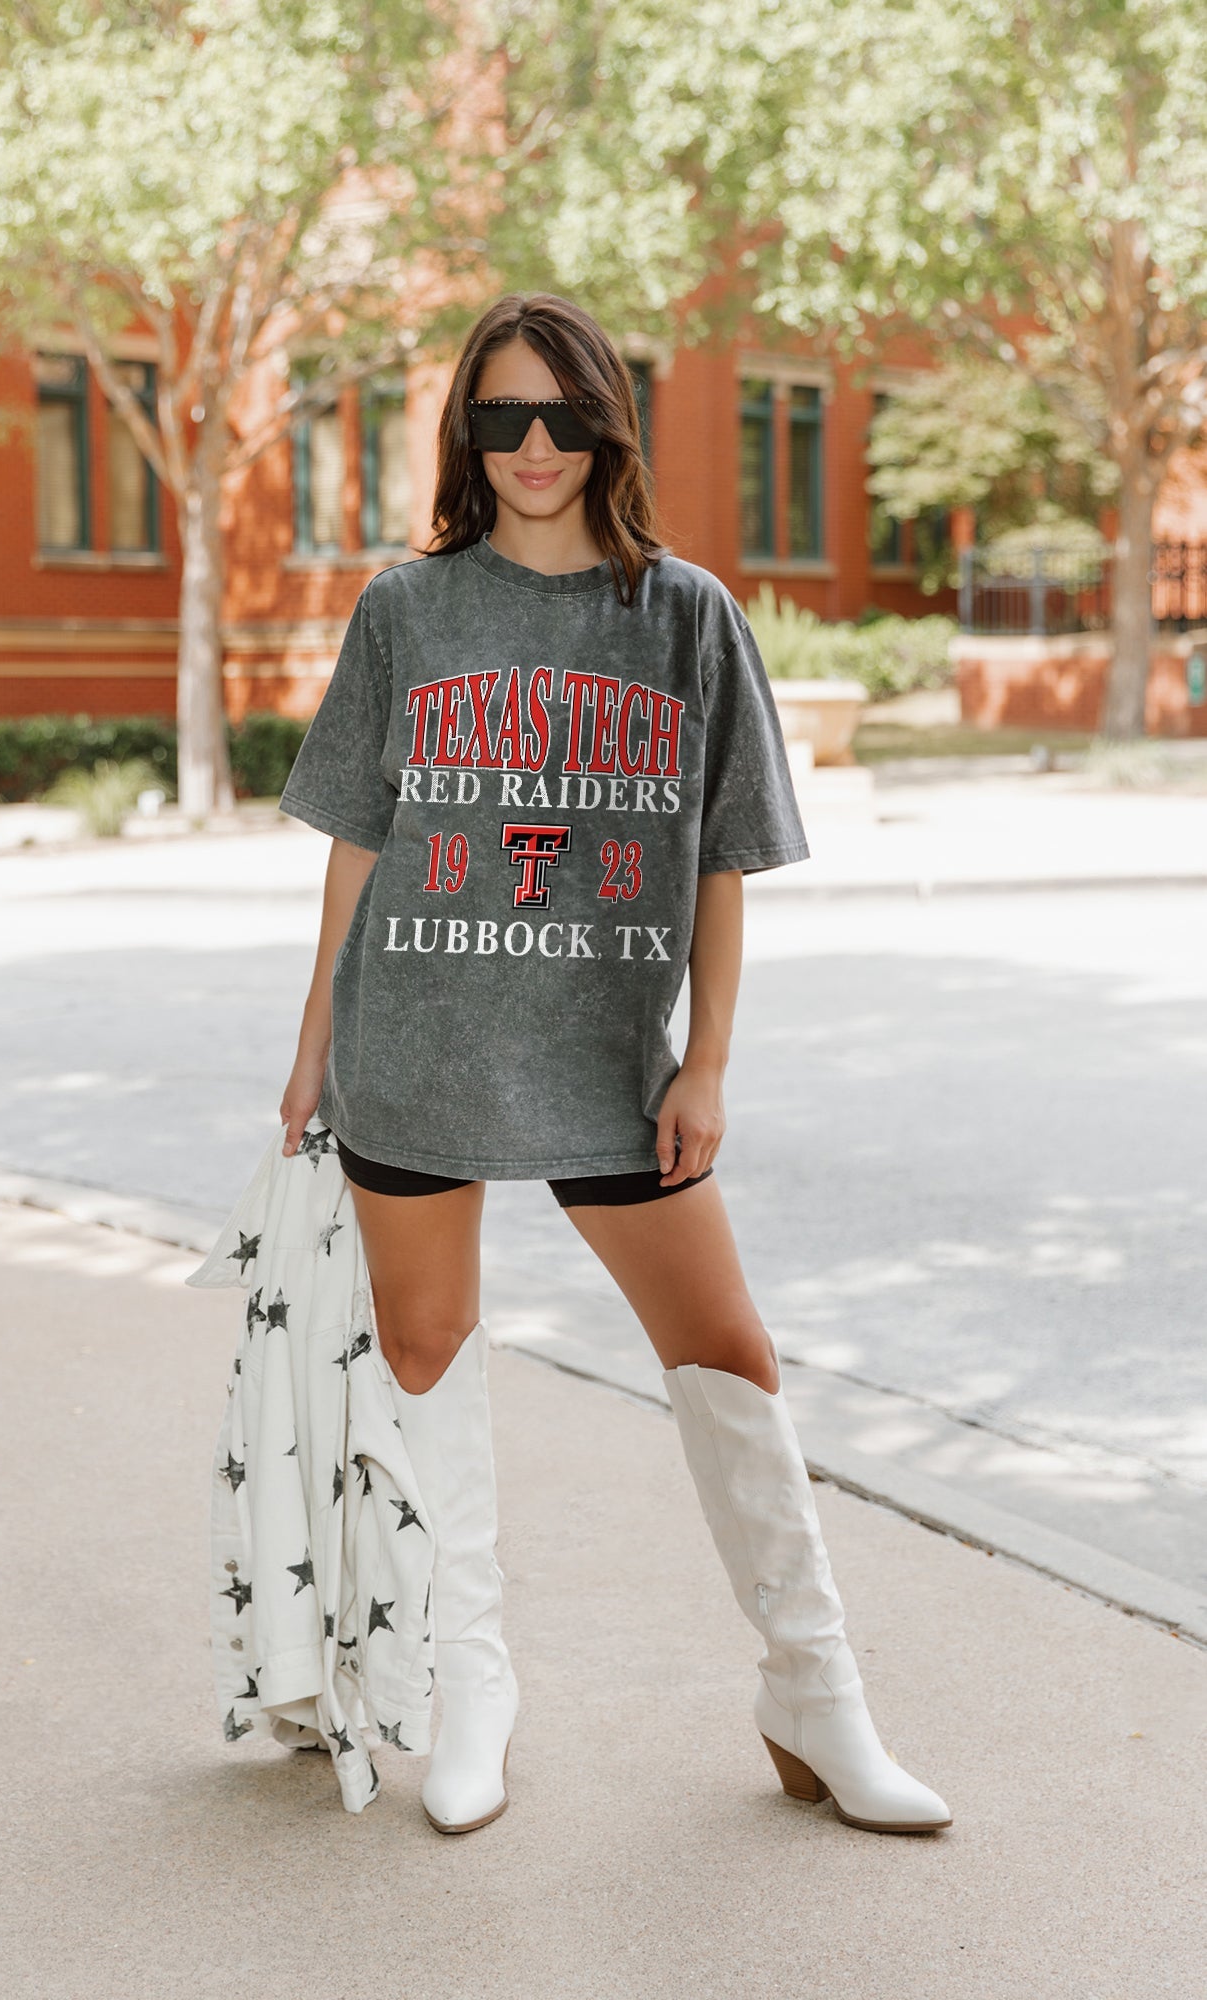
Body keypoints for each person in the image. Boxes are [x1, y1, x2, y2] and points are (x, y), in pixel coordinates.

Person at [277, 292, 952, 1838]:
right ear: (466, 436)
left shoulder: (684, 616)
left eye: (561, 415)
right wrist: (312, 1044)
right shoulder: (406, 608)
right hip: (415, 1041)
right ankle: (475, 1689)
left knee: (725, 1351)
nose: (532, 446)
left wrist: (704, 1063)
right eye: (499, 417)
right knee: (427, 1347)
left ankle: (813, 1691)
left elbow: (719, 858)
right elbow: (358, 840)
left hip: (606, 1058)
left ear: (606, 425)